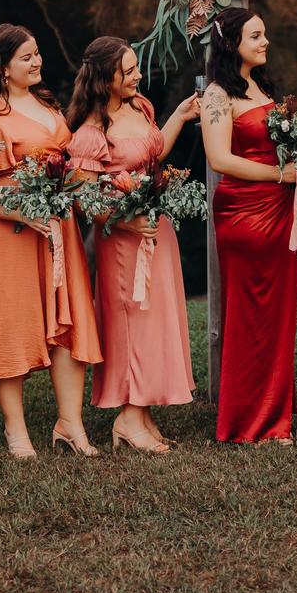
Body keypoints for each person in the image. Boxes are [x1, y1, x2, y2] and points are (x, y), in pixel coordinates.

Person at [0, 24, 103, 457]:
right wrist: (21, 208)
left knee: (68, 325)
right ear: (2, 68)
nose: (37, 61)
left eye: (37, 53)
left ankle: (70, 423)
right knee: (12, 328)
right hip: (12, 234)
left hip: (59, 229)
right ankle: (16, 431)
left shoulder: (49, 106)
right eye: (26, 57)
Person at [67, 37, 200, 453]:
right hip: (123, 241)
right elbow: (84, 199)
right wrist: (126, 220)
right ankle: (126, 417)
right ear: (106, 78)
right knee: (131, 322)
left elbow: (155, 148)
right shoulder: (91, 133)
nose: (138, 74)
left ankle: (141, 411)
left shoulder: (140, 107)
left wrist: (179, 114)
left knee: (157, 319)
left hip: (157, 232)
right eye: (128, 70)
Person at [199, 8, 297, 445]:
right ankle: (245, 421)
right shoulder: (217, 96)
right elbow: (219, 159)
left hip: (280, 213)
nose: (265, 42)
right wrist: (280, 175)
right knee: (246, 316)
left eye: (264, 34)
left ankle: (276, 415)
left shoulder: (261, 87)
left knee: (279, 317)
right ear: (231, 44)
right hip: (244, 213)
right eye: (255, 36)